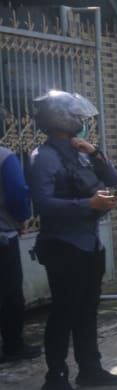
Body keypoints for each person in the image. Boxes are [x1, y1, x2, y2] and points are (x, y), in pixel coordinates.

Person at [27, 90, 117, 390]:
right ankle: (55, 376)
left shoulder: (80, 152)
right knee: (64, 312)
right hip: (63, 245)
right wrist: (88, 203)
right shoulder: (43, 158)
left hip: (89, 242)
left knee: (87, 309)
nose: (82, 121)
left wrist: (95, 153)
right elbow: (43, 204)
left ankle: (90, 368)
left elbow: (113, 179)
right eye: (76, 115)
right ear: (60, 117)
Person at [0, 127, 40, 363]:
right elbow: (17, 194)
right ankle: (13, 346)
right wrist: (22, 218)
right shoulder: (5, 157)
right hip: (3, 238)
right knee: (10, 293)